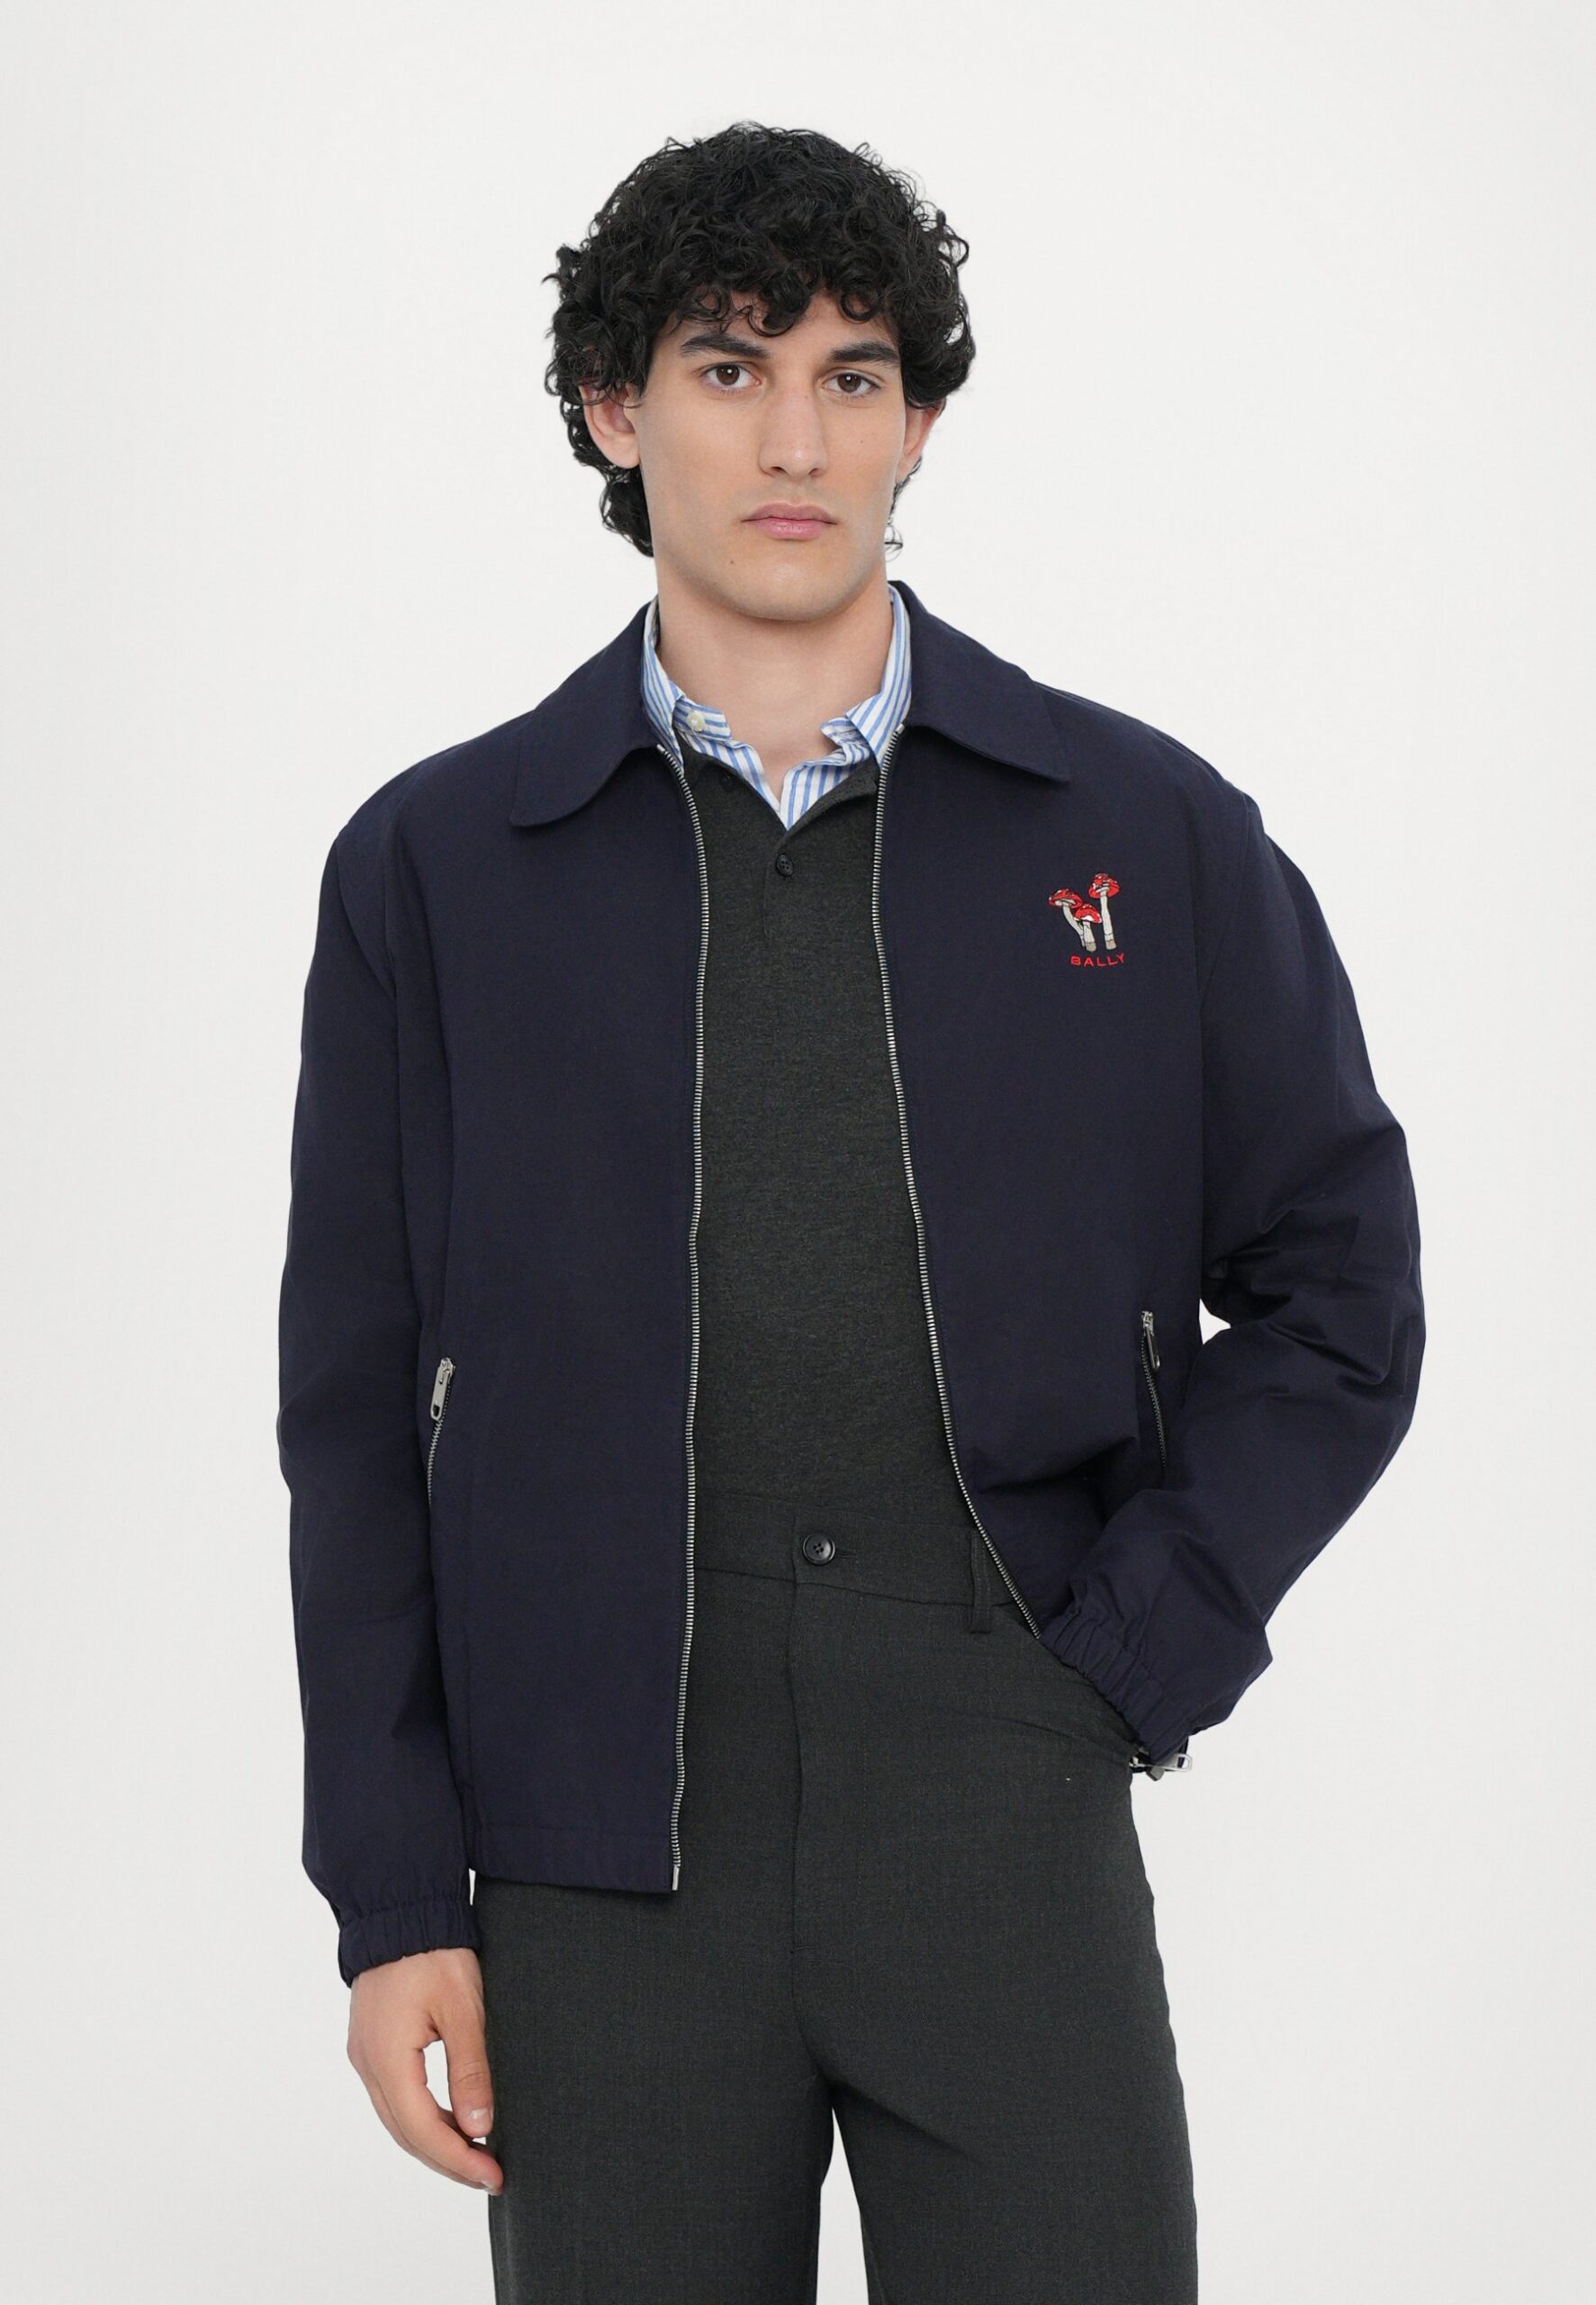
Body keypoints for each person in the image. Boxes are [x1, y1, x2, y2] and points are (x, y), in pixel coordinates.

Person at [276, 120, 1425, 2304]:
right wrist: (394, 1893)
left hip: (1003, 1770)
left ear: (916, 421)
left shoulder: (1139, 829)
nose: (796, 439)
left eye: (853, 373)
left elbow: (1339, 1282)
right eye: (728, 369)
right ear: (614, 410)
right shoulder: (436, 867)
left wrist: (1130, 1647)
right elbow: (351, 1415)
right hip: (597, 1827)